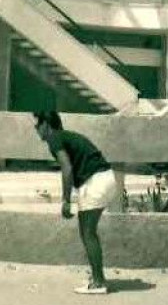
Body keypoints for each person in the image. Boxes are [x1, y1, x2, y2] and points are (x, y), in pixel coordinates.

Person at [33, 111, 120, 295]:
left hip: (96, 181)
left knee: (88, 232)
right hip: (104, 178)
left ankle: (98, 282)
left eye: (37, 125)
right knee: (88, 231)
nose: (36, 129)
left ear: (46, 125)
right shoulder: (64, 136)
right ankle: (97, 277)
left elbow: (67, 169)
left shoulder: (54, 139)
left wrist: (65, 200)